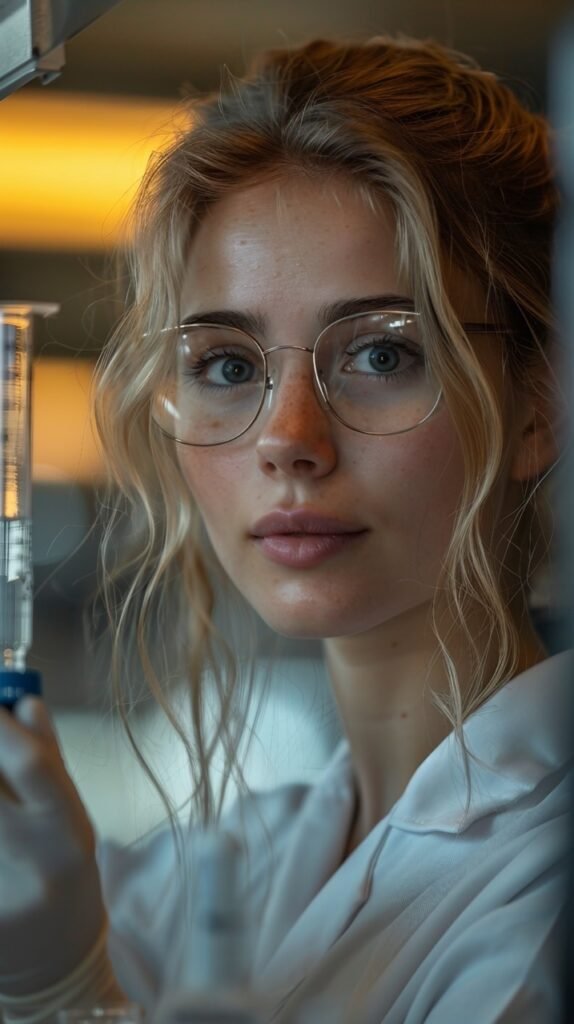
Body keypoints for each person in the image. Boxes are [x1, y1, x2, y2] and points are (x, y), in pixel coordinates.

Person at [0, 33, 571, 1024]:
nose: (289, 441)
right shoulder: (222, 872)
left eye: (383, 355)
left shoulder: (543, 895)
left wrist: (67, 995)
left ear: (537, 406)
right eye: (226, 365)